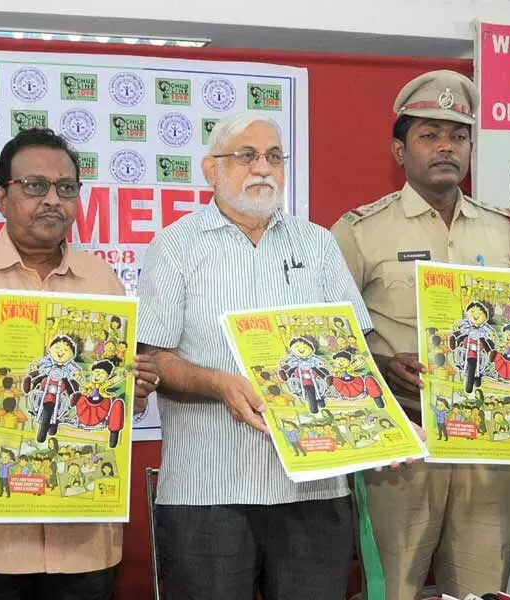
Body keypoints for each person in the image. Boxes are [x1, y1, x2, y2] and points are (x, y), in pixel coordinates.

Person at [330, 70, 510, 598]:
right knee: (396, 587)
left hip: (488, 443)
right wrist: (381, 366)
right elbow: (329, 339)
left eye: (457, 136)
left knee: (481, 587)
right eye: (429, 135)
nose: (446, 146)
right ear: (399, 149)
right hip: (403, 444)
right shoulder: (360, 230)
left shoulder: (501, 228)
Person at [138, 112, 374, 600]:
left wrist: (385, 427)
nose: (262, 168)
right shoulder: (175, 246)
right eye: (246, 155)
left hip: (314, 489)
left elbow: (355, 352)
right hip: (208, 489)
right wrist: (219, 384)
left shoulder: (319, 243)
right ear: (211, 169)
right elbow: (154, 360)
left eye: (273, 157)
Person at [0, 127, 160, 600]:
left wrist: (133, 387)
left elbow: (111, 392)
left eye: (65, 188)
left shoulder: (101, 278)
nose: (52, 199)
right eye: (34, 186)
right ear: (1, 197)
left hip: (81, 527)